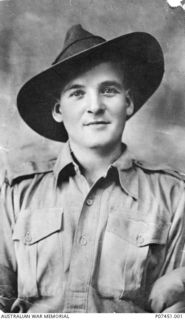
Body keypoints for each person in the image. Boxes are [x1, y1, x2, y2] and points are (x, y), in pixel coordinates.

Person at [0, 24, 185, 313]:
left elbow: (174, 309)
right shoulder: (17, 193)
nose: (94, 106)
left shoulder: (173, 196)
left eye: (108, 90)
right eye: (77, 93)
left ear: (128, 102)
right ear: (58, 110)